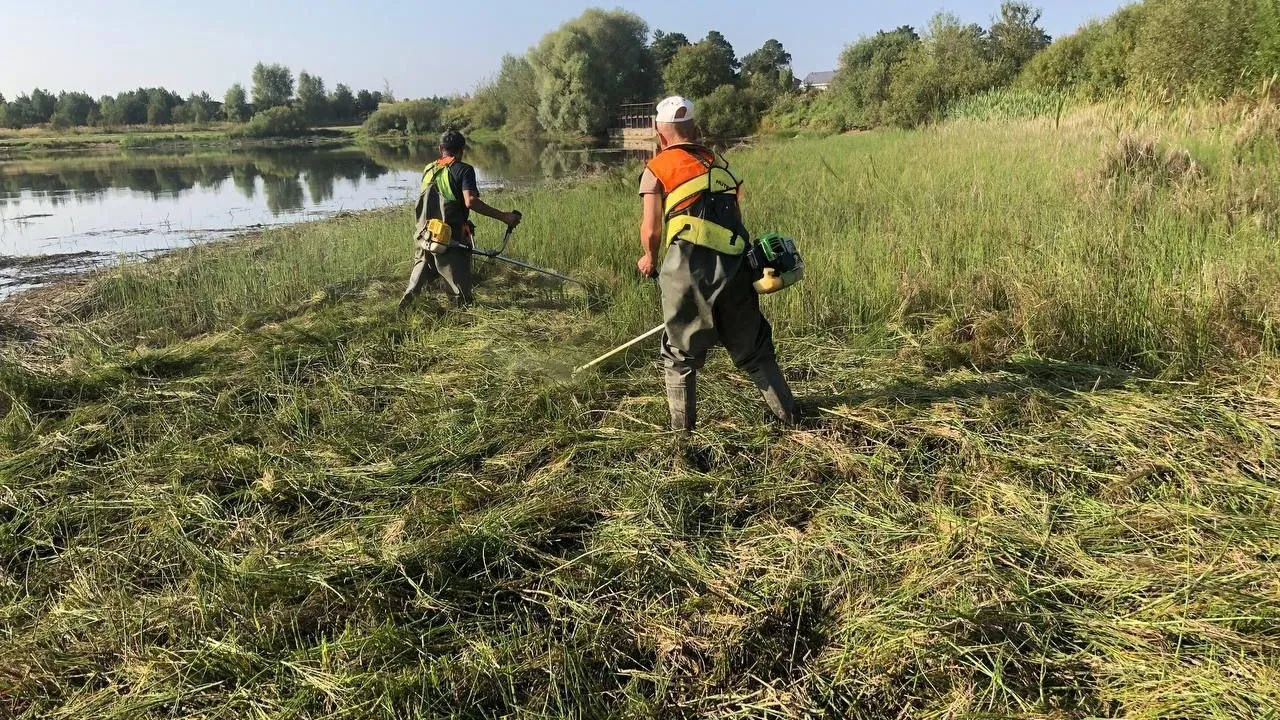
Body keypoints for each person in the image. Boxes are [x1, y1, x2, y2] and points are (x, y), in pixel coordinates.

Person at [637, 96, 799, 432]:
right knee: (755, 351)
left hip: (686, 273)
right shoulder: (720, 165)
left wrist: (649, 258)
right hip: (735, 268)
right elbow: (736, 222)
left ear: (658, 131)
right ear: (694, 129)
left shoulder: (657, 168)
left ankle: (683, 441)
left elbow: (651, 228)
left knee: (680, 358)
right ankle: (793, 421)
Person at [400, 129, 522, 309]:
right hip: (449, 237)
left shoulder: (428, 169)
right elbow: (470, 201)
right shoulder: (464, 170)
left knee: (421, 270)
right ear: (462, 150)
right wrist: (504, 217)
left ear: (440, 148)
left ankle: (407, 307)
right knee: (458, 286)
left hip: (424, 234)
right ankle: (462, 314)